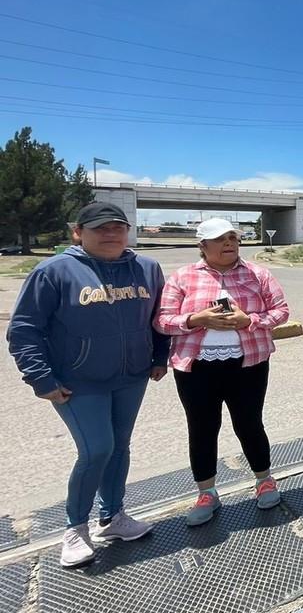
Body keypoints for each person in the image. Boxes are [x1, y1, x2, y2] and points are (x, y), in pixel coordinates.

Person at [7, 203, 170, 567]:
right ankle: (75, 528)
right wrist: (41, 378)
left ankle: (113, 518)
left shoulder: (146, 268)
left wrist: (159, 357)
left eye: (118, 227)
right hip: (78, 382)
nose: (111, 234)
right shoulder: (54, 271)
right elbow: (23, 331)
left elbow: (160, 318)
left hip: (131, 377)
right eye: (100, 228)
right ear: (78, 232)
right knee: (97, 449)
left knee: (120, 447)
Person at [154, 219, 290, 527]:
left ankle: (264, 480)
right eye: (220, 238)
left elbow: (281, 311)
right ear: (202, 245)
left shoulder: (258, 273)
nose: (229, 243)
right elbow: (162, 321)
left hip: (248, 362)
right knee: (202, 428)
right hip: (196, 366)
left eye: (233, 237)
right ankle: (206, 493)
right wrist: (195, 319)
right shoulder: (182, 277)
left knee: (249, 423)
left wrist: (250, 321)